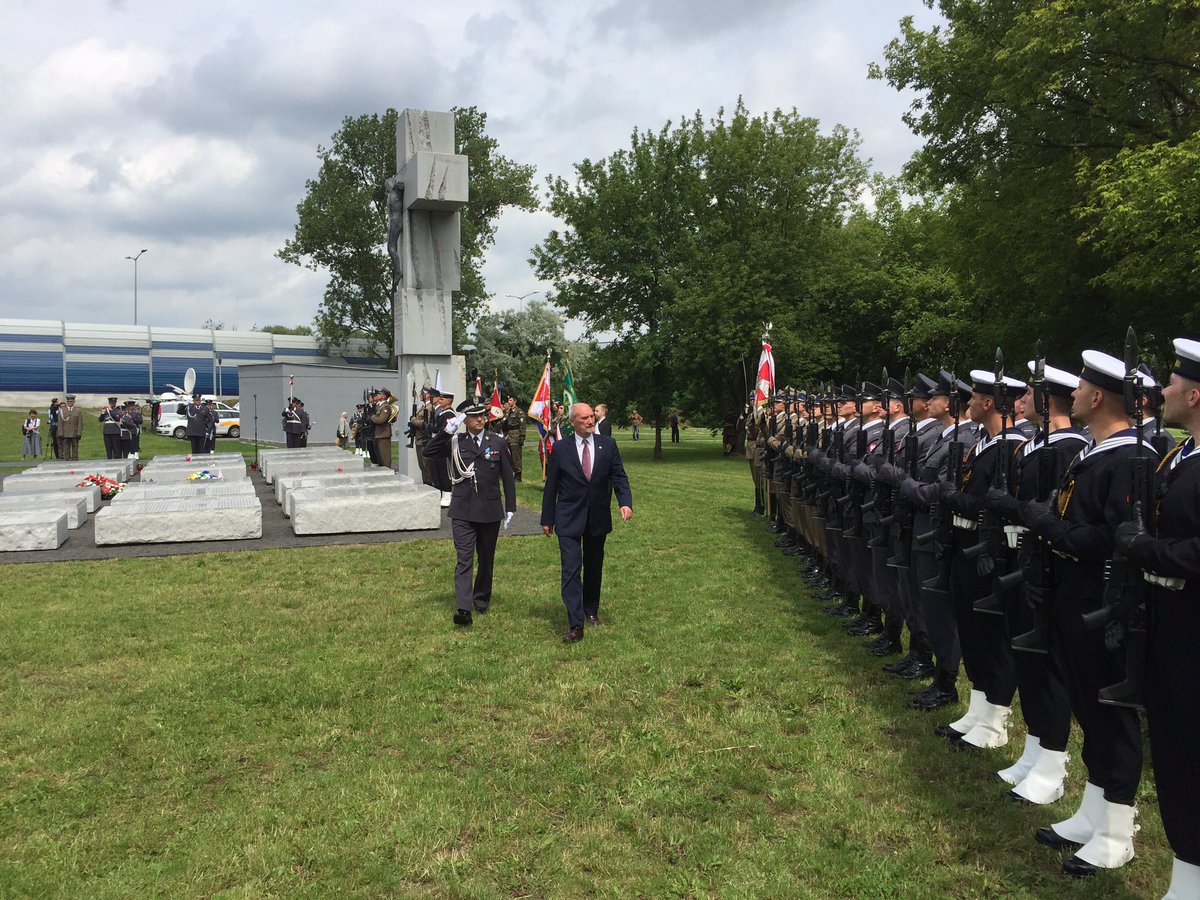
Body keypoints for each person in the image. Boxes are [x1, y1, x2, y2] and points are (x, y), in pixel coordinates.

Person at [1114, 337, 1200, 898]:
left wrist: (1146, 549)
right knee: (1173, 755)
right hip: (1167, 624)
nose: (1161, 390)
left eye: (1171, 383)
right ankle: (1187, 874)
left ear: (1194, 395)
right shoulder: (1178, 453)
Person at [540, 402, 633, 643]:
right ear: (573, 423)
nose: (591, 421)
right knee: (571, 569)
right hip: (569, 517)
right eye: (584, 418)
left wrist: (625, 502)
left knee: (593, 567)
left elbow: (618, 476)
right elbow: (551, 486)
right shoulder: (561, 449)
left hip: (597, 517)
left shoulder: (608, 445)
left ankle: (590, 609)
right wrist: (547, 518)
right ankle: (575, 623)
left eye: (592, 416)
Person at [424, 399, 517, 626]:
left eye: (482, 415)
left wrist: (511, 507)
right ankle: (463, 609)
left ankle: (481, 599)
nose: (480, 419)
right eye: (474, 416)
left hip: (489, 509)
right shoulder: (456, 441)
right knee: (464, 559)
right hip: (463, 509)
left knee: (486, 559)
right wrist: (446, 433)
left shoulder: (497, 442)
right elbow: (429, 451)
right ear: (465, 419)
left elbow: (507, 476)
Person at [370, 389, 398, 469]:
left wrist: (372, 417)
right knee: (380, 459)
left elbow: (381, 420)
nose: (377, 395)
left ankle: (388, 474)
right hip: (379, 434)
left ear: (384, 396)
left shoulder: (385, 407)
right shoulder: (380, 406)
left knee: (385, 458)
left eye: (379, 394)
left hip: (383, 434)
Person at [502, 395, 527, 482]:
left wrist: (522, 436)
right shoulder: (507, 411)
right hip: (508, 435)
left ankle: (518, 475)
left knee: (516, 456)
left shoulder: (518, 412)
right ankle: (510, 472)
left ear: (515, 401)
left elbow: (522, 425)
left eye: (510, 400)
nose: (509, 402)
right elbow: (503, 422)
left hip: (515, 435)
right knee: (508, 455)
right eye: (508, 400)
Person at [57, 394, 82, 460]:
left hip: (74, 432)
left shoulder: (78, 411)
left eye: (71, 401)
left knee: (75, 447)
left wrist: (79, 433)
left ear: (74, 402)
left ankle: (75, 460)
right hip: (65, 433)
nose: (70, 403)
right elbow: (60, 423)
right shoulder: (62, 411)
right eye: (69, 401)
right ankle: (67, 461)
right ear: (67, 402)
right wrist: (60, 433)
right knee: (66, 448)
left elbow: (80, 423)